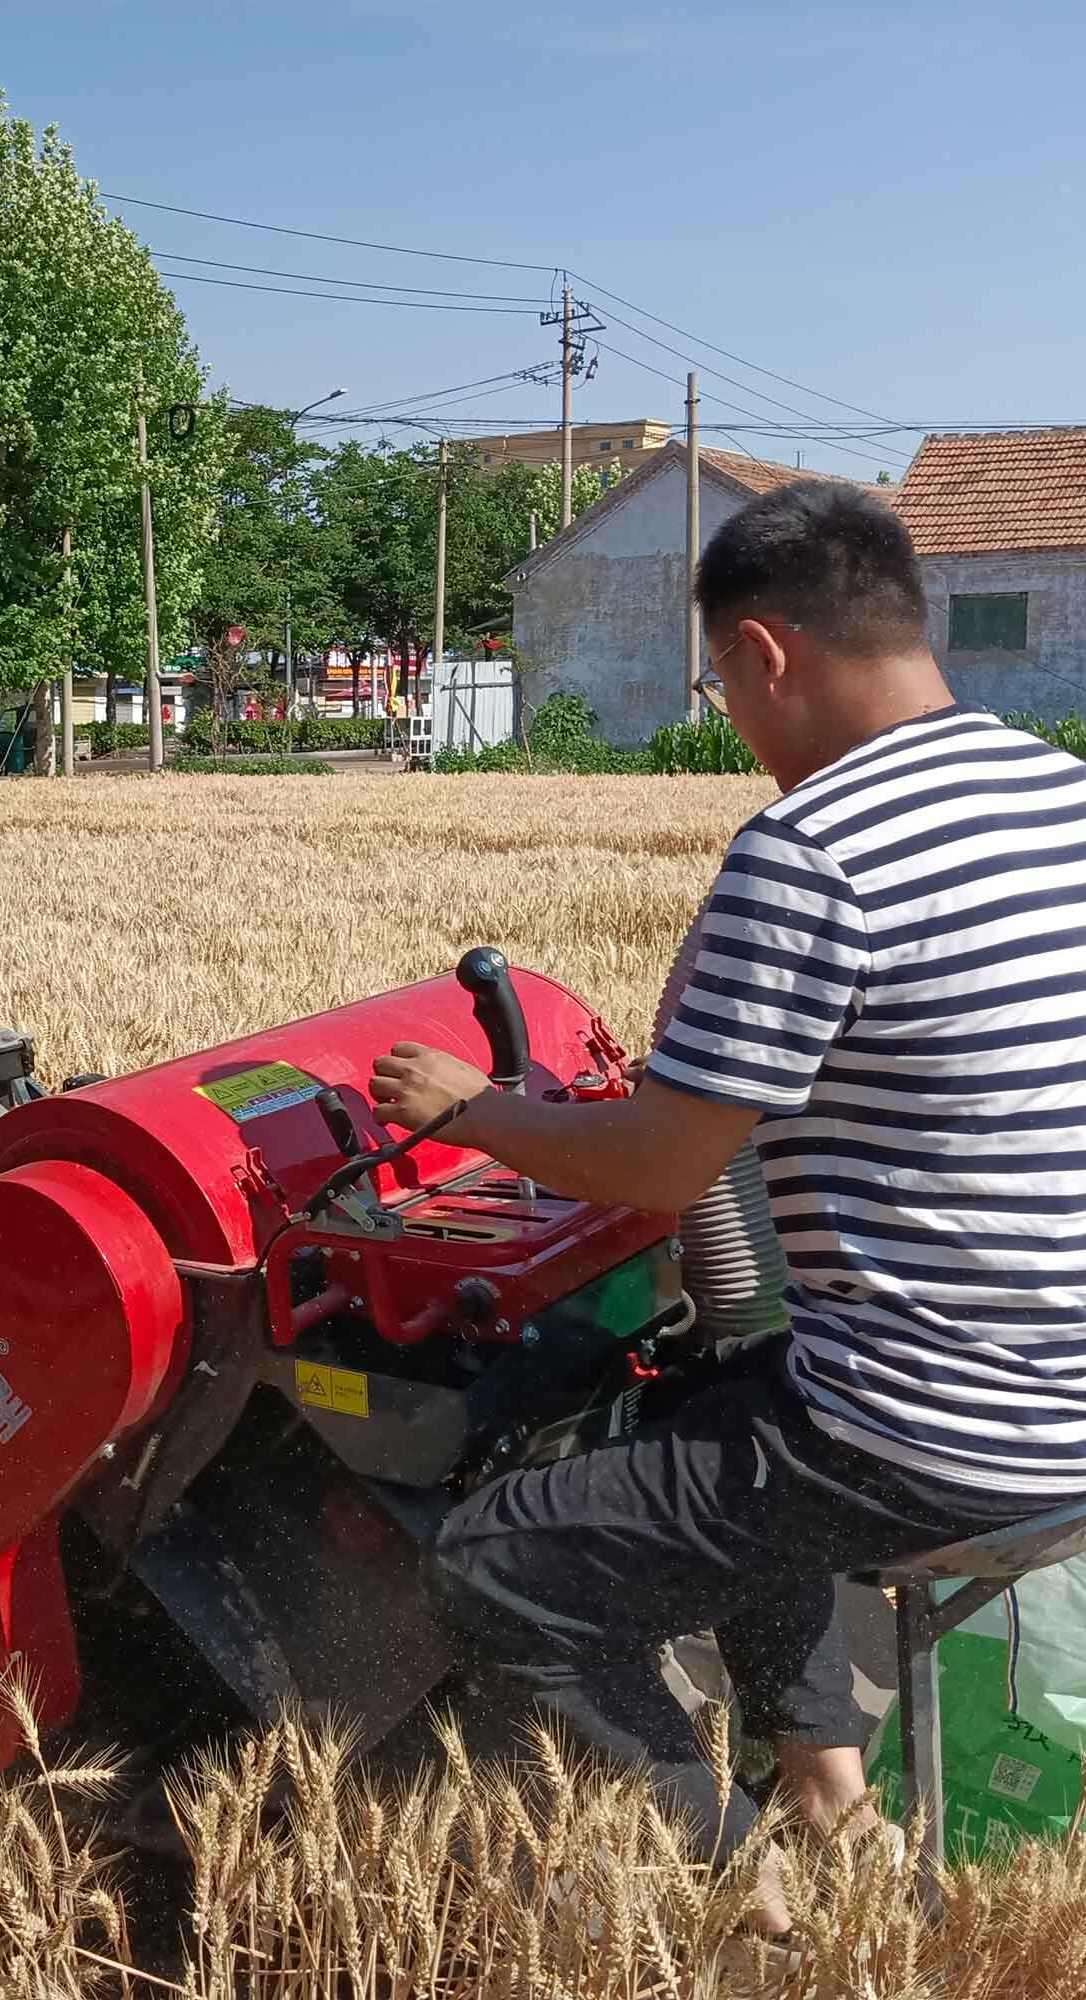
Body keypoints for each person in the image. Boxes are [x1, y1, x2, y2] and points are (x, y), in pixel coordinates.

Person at [369, 481, 1086, 1936]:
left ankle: (740, 1881)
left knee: (497, 1566)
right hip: (1065, 1397)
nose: (734, 723)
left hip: (937, 1431)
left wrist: (464, 1109)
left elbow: (659, 1172)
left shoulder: (814, 849)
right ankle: (831, 1797)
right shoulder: (1055, 792)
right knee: (731, 1387)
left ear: (764, 654)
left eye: (720, 684)